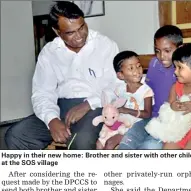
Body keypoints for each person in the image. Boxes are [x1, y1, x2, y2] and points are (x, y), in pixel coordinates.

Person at [5, 1, 120, 150]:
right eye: (70, 32)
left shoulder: (105, 45)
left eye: (82, 27)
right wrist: (52, 120)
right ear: (57, 31)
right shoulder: (49, 52)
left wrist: (88, 104)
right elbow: (42, 93)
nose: (79, 36)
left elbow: (117, 87)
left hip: (97, 107)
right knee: (16, 135)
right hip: (60, 108)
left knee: (81, 141)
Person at [106, 51, 161, 150]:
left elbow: (148, 114)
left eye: (138, 66)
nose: (137, 70)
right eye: (131, 68)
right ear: (121, 75)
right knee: (102, 143)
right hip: (122, 122)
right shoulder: (120, 90)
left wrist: (126, 110)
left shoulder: (145, 90)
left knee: (124, 145)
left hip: (138, 123)